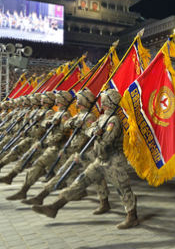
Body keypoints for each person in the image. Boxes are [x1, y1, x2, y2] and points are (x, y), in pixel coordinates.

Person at [32, 89, 139, 229]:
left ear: (107, 102)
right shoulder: (102, 118)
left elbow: (107, 141)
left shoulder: (113, 120)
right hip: (99, 159)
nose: (101, 102)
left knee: (123, 189)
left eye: (104, 100)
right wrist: (94, 131)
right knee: (81, 181)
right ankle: (55, 207)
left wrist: (98, 134)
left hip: (113, 160)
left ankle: (132, 216)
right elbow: (90, 131)